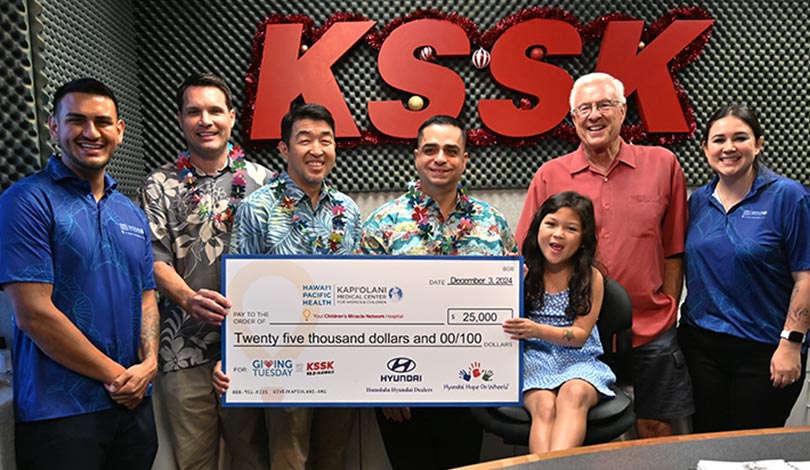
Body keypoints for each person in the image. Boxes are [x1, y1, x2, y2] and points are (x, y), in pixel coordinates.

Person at [515, 72, 693, 438]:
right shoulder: (551, 174)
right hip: (568, 335)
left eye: (604, 105)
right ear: (573, 118)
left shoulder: (663, 165)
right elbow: (526, 255)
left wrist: (670, 306)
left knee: (656, 427)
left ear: (623, 111)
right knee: (560, 417)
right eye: (584, 108)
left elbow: (674, 249)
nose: (594, 115)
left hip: (648, 329)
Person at [0, 78, 158, 469]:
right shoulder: (26, 202)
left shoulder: (131, 213)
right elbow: (33, 313)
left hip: (133, 409)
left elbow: (147, 298)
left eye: (103, 122)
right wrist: (120, 377)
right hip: (60, 412)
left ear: (119, 131)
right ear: (54, 127)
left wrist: (150, 363)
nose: (91, 132)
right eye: (77, 120)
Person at [359, 115, 518, 469]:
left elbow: (511, 301)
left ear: (465, 159)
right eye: (430, 150)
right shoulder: (383, 223)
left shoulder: (493, 223)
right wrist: (382, 383)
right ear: (416, 156)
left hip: (471, 383)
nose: (440, 158)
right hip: (401, 383)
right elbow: (362, 310)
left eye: (451, 150)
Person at [215, 103, 361, 470]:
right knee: (288, 459)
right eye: (305, 139)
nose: (317, 149)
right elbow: (239, 292)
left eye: (325, 140)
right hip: (281, 360)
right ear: (284, 149)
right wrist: (232, 352)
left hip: (339, 359)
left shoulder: (348, 210)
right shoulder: (257, 208)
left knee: (333, 457)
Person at [141, 72, 271, 469]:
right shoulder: (158, 185)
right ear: (180, 120)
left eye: (215, 110)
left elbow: (279, 265)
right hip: (183, 347)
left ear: (232, 117)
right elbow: (153, 258)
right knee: (193, 461)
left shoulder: (264, 182)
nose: (206, 120)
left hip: (252, 349)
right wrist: (188, 298)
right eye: (194, 111)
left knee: (253, 458)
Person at [678, 103, 810, 432]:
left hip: (765, 348)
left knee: (751, 451)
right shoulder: (698, 201)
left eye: (740, 138)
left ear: (759, 143)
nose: (729, 148)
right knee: (706, 443)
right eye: (719, 139)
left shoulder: (788, 197)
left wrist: (791, 343)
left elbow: (806, 276)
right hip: (701, 346)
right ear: (706, 147)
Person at [503, 191, 615, 453]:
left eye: (571, 228)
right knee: (544, 405)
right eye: (551, 224)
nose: (558, 234)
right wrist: (508, 280)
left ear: (584, 239)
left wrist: (536, 329)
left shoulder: (591, 277)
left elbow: (579, 335)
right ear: (538, 227)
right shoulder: (523, 270)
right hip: (533, 359)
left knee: (573, 394)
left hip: (579, 360)